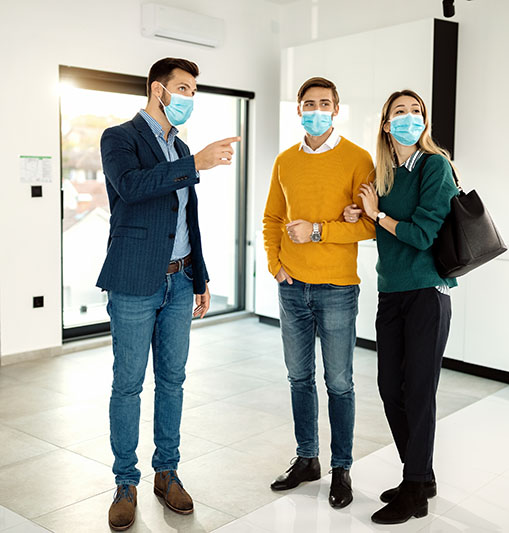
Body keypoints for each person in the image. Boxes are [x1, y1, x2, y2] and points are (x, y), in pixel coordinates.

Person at [98, 57, 240, 531]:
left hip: (180, 282)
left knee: (174, 381)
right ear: (158, 90)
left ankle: (167, 472)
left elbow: (187, 221)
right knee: (128, 384)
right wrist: (194, 163)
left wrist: (199, 277)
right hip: (135, 281)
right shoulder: (119, 138)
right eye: (183, 89)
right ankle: (125, 483)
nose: (189, 99)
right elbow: (132, 187)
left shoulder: (178, 145)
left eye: (194, 91)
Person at [343, 89, 459, 524]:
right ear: (386, 125)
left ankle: (414, 490)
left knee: (419, 390)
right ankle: (421, 475)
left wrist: (376, 216)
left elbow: (423, 235)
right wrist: (363, 216)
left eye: (416, 112)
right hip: (391, 291)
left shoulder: (435, 166)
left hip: (427, 292)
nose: (410, 118)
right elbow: (389, 233)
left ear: (423, 123)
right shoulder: (385, 172)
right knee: (391, 387)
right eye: (400, 113)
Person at [263, 77, 376, 509]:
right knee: (298, 378)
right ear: (298, 110)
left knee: (340, 382)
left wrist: (317, 231)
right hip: (292, 287)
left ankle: (341, 468)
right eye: (309, 104)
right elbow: (273, 217)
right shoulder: (285, 161)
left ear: (337, 109)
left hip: (337, 287)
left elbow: (368, 223)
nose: (316, 110)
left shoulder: (357, 159)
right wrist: (276, 264)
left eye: (324, 104)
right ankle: (307, 459)